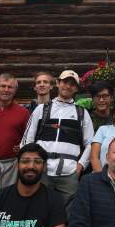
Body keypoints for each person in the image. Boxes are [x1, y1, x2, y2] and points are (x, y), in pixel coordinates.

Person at [22, 69, 94, 209]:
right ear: (57, 83)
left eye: (72, 84)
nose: (67, 86)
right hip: (41, 170)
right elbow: (27, 138)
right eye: (64, 82)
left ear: (76, 88)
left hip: (69, 173)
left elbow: (91, 143)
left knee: (68, 214)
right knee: (37, 209)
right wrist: (31, 162)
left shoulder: (82, 113)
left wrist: (80, 166)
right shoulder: (41, 109)